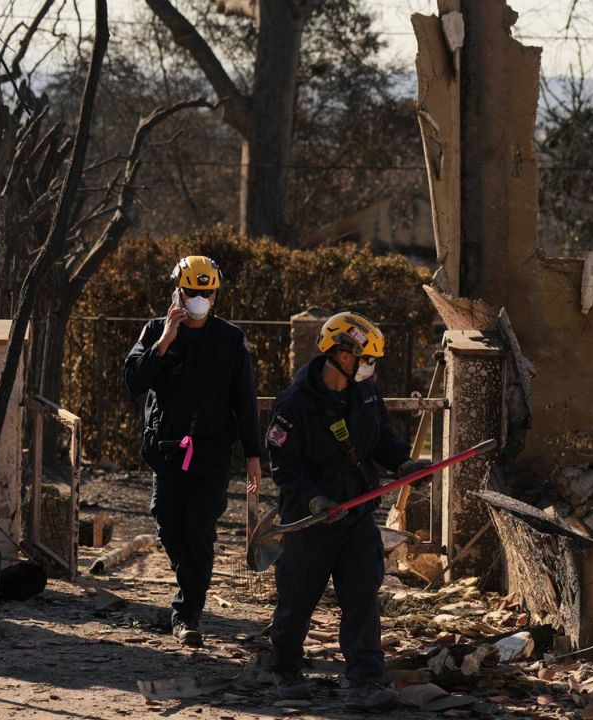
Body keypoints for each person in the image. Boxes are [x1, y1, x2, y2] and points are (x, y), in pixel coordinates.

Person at [263, 311, 429, 710]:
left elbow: (381, 438)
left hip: (356, 517)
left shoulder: (365, 392)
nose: (371, 366)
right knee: (297, 599)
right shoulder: (293, 404)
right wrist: (314, 499)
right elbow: (283, 465)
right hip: (311, 521)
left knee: (362, 597)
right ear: (341, 354)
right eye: (366, 358)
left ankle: (365, 681)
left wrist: (403, 464)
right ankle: (285, 670)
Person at [124, 255, 262, 647]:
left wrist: (253, 455)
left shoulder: (231, 340)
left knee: (200, 532)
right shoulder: (155, 330)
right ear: (177, 293)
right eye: (191, 292)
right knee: (169, 526)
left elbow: (245, 400)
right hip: (166, 450)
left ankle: (187, 616)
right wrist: (165, 342)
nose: (200, 299)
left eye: (207, 293)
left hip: (211, 454)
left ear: (216, 295)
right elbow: (133, 380)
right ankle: (191, 579)